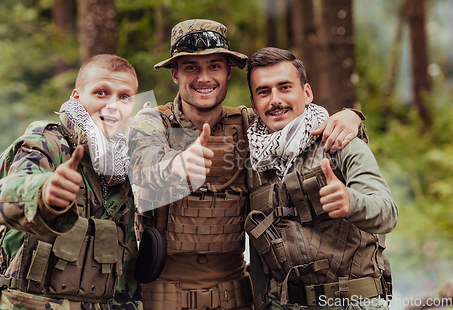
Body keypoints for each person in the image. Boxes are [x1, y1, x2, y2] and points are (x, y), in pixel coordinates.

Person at [127, 19, 366, 310]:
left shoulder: (247, 125)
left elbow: (302, 127)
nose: (204, 77)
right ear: (175, 73)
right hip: (162, 295)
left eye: (214, 65)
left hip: (236, 294)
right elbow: (143, 168)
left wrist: (351, 117)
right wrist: (178, 165)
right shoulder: (151, 122)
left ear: (228, 71)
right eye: (191, 67)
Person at [0, 54, 142, 310]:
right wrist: (43, 194)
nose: (113, 105)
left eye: (124, 97)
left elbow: (125, 272)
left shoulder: (121, 166)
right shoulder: (46, 143)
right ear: (76, 97)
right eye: (100, 93)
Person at [244, 47, 398, 310]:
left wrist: (351, 202)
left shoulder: (340, 142)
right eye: (264, 91)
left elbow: (387, 212)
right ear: (255, 104)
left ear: (306, 93)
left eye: (285, 87)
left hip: (354, 303)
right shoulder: (252, 161)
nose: (275, 99)